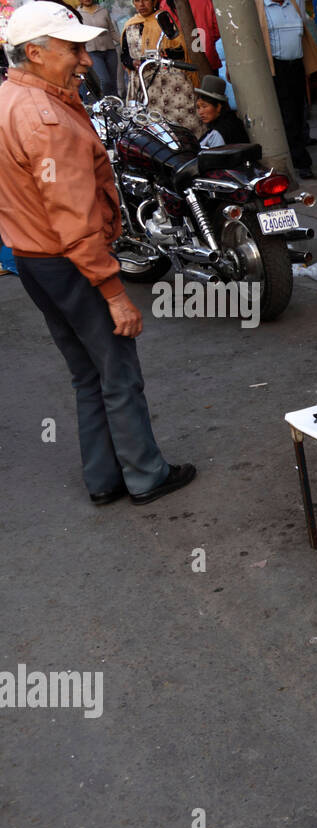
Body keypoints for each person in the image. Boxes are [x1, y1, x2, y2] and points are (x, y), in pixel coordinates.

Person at [0, 2, 196, 505]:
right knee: (117, 372)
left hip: (33, 258)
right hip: (66, 260)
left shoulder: (10, 98)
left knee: (88, 374)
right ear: (36, 53)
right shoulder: (46, 120)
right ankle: (145, 476)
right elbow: (73, 218)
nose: (85, 59)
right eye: (73, 49)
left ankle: (104, 479)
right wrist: (114, 293)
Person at [120, 0, 203, 137]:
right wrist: (133, 63)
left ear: (154, 1)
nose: (141, 4)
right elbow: (124, 56)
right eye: (136, 1)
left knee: (182, 125)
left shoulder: (164, 21)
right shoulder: (130, 26)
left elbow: (180, 50)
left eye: (145, 0)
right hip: (144, 85)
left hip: (172, 85)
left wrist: (164, 55)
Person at [261, 0, 315, 179]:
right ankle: (301, 162)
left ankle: (298, 155)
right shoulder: (262, 7)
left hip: (297, 65)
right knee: (289, 115)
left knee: (299, 112)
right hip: (278, 67)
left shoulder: (293, 4)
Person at [194, 73, 247, 148]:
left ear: (218, 107)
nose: (200, 112)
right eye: (198, 107)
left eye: (204, 106)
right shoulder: (233, 121)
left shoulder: (218, 133)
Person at [78, 0, 117, 97]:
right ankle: (106, 104)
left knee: (113, 81)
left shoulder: (103, 10)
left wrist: (125, 43)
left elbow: (112, 31)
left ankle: (116, 105)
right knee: (105, 80)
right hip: (92, 52)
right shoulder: (78, 14)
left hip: (110, 50)